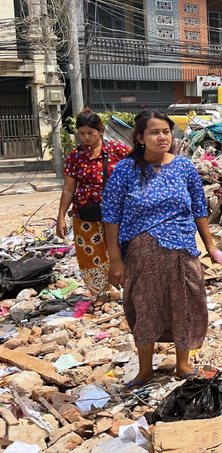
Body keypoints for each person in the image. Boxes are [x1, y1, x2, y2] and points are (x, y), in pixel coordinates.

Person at [102, 110, 222, 388]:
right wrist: (115, 260)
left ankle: (183, 364)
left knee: (187, 302)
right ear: (140, 138)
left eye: (166, 131)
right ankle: (145, 370)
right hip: (143, 254)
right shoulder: (126, 170)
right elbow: (111, 215)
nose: (162, 137)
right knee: (144, 306)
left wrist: (211, 246)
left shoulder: (184, 167)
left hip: (182, 250)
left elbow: (198, 209)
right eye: (154, 132)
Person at [56, 108, 131, 309]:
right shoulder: (75, 156)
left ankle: (130, 289)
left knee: (124, 251)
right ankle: (100, 293)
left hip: (118, 213)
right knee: (90, 255)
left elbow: (136, 173)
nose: (86, 137)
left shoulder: (118, 150)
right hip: (85, 213)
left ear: (101, 131)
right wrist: (61, 217)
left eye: (91, 133)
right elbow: (69, 189)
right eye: (82, 133)